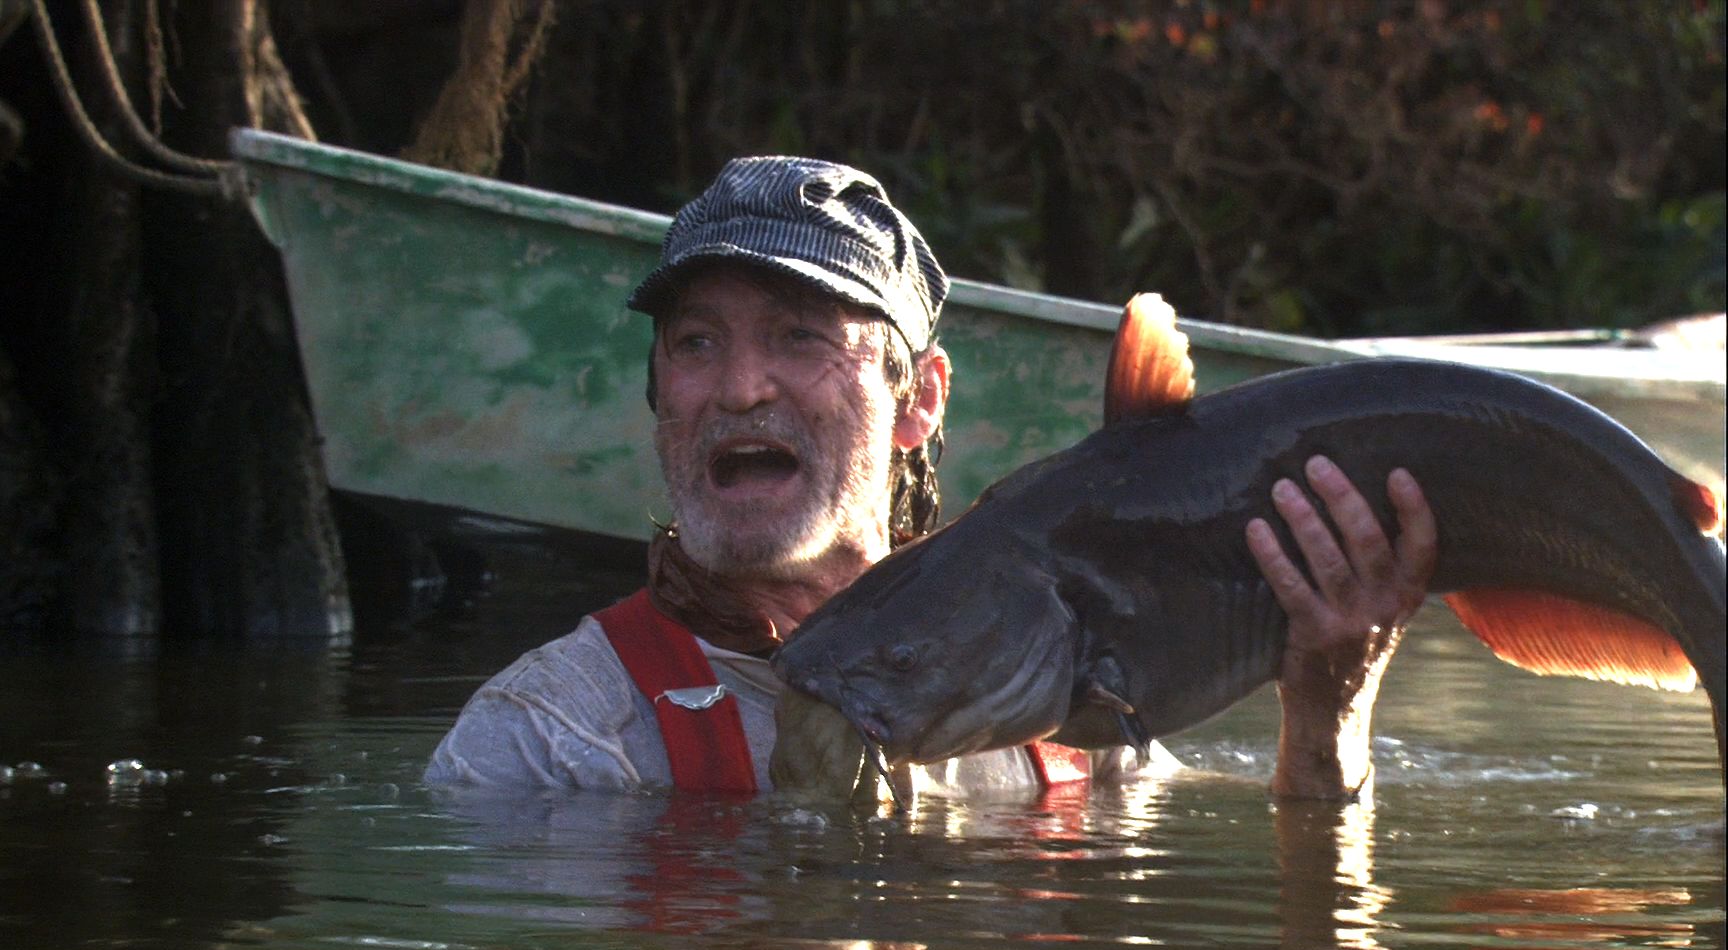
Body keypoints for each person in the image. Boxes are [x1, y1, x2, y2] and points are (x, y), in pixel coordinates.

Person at [423, 156, 1436, 800]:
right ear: (658, 396)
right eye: (695, 344)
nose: (738, 388)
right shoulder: (544, 746)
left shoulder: (1078, 706)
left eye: (798, 338)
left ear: (921, 402)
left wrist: (1327, 722)